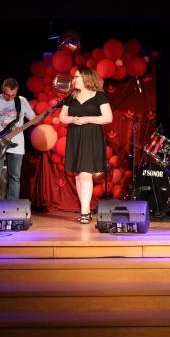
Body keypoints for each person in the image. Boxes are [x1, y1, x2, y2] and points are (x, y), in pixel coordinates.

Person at [59, 67, 113, 224]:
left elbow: (108, 117)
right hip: (75, 136)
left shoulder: (99, 96)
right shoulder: (71, 96)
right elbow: (62, 117)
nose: (74, 80)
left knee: (85, 173)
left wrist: (87, 119)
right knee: (78, 175)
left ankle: (84, 212)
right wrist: (72, 119)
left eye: (77, 76)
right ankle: (86, 210)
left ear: (86, 78)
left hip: (91, 137)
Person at [0, 78, 35, 200]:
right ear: (2, 88)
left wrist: (45, 115)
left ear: (17, 90)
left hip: (17, 145)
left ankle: (13, 207)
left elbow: (33, 119)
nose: (10, 98)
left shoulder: (22, 101)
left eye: (13, 95)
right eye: (7, 95)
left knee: (15, 178)